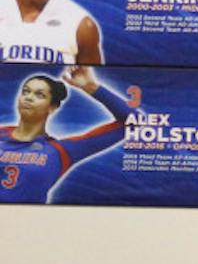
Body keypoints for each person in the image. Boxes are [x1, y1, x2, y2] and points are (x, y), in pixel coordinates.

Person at [0, 67, 133, 204]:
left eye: (39, 95)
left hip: (28, 220)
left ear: (52, 107)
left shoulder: (61, 150)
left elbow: (133, 121)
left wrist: (92, 87)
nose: (28, 98)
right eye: (25, 92)